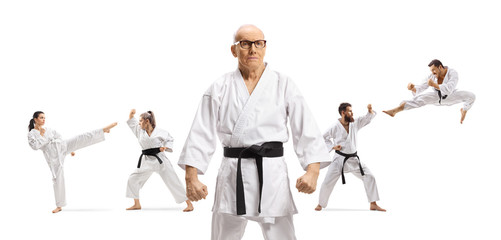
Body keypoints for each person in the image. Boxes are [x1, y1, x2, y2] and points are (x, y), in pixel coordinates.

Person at [178, 24, 331, 240]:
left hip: (272, 174)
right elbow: (200, 132)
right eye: (245, 44)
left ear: (265, 47)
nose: (253, 50)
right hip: (233, 174)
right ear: (234, 50)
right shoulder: (220, 86)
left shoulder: (283, 84)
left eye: (259, 43)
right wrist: (191, 176)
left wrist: (313, 171)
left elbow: (306, 129)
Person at [27, 111, 117, 213]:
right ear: (35, 119)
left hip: (63, 146)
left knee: (79, 138)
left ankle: (102, 130)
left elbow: (59, 138)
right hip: (53, 156)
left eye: (44, 118)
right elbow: (34, 146)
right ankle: (59, 205)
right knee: (58, 179)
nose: (43, 120)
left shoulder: (49, 129)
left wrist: (69, 150)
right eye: (41, 118)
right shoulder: (32, 134)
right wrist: (41, 136)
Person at [315, 103, 386, 212]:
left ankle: (373, 203)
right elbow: (322, 138)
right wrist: (333, 146)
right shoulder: (334, 127)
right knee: (327, 182)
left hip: (353, 159)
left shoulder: (355, 123)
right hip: (339, 160)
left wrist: (370, 110)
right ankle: (320, 204)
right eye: (350, 111)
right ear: (343, 113)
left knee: (370, 177)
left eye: (352, 111)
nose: (352, 113)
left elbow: (367, 118)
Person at [125, 109, 193, 212]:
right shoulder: (139, 130)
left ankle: (189, 204)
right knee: (133, 179)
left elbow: (170, 139)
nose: (139, 123)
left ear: (147, 121)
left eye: (141, 121)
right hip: (146, 160)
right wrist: (131, 114)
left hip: (160, 160)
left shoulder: (160, 132)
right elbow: (132, 121)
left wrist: (165, 147)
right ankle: (136, 204)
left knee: (173, 180)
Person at [383, 59, 475, 124]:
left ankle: (464, 110)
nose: (432, 73)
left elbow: (450, 88)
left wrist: (435, 85)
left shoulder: (452, 72)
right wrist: (413, 88)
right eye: (431, 71)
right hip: (436, 98)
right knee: (420, 99)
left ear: (440, 67)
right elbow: (421, 88)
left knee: (471, 96)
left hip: (451, 96)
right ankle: (395, 111)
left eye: (434, 70)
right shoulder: (431, 76)